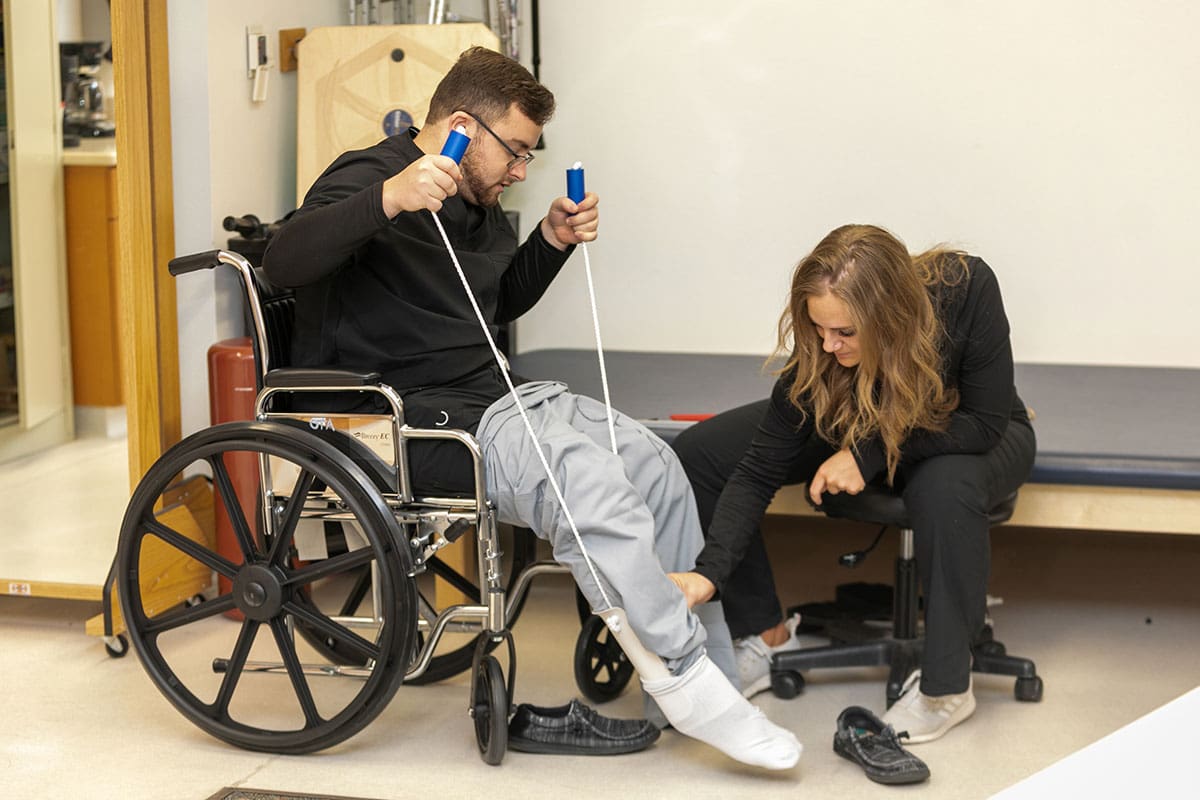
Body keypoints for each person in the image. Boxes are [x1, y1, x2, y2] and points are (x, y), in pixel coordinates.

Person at [262, 46, 800, 769]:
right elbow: (282, 262)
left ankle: (702, 681)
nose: (521, 171)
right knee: (588, 488)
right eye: (515, 152)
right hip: (405, 418)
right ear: (461, 125)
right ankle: (687, 680)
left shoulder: (476, 205)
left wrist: (550, 241)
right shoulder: (370, 176)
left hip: (497, 399)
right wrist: (388, 198)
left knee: (656, 465)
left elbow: (492, 307)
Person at [668, 223, 1035, 743]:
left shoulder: (965, 285)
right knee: (703, 454)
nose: (826, 344)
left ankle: (947, 688)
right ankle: (767, 633)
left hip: (968, 430)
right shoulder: (829, 353)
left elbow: (984, 422)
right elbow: (755, 472)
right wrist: (708, 575)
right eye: (818, 329)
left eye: (844, 333)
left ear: (891, 319)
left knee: (942, 485)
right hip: (863, 416)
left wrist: (867, 456)